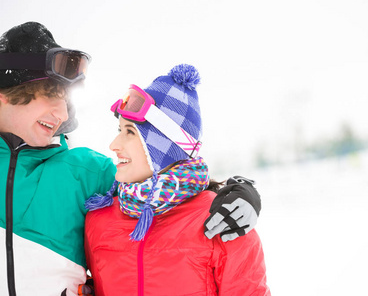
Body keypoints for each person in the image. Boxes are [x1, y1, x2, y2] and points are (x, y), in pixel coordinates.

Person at [0, 22, 262, 296]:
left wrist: (241, 193)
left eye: (66, 101)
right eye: (50, 97)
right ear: (6, 94)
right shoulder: (101, 217)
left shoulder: (85, 171)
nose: (64, 114)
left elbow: (168, 181)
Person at [84, 64, 270, 295]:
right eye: (119, 129)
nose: (114, 145)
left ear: (164, 147)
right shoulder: (98, 220)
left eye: (130, 132)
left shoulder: (222, 222)